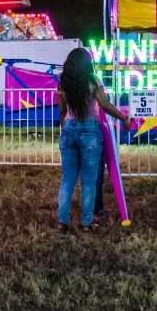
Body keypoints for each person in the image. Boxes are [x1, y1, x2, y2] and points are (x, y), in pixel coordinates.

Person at [56, 47, 129, 232]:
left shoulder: (62, 83)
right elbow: (104, 105)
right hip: (90, 130)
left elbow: (62, 111)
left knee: (67, 180)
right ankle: (86, 223)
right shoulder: (93, 81)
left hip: (69, 129)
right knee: (89, 180)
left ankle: (62, 222)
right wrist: (123, 118)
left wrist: (62, 129)